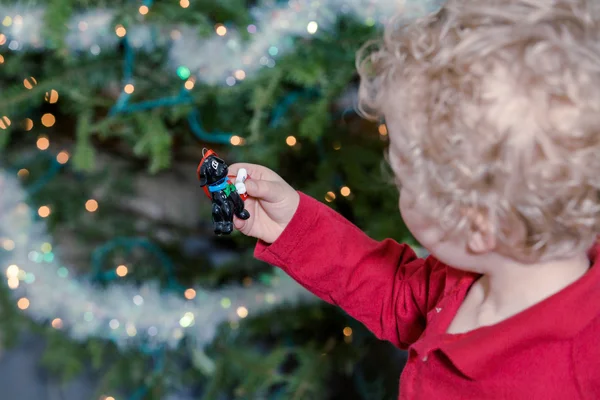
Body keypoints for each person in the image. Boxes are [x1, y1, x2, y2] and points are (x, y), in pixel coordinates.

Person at [229, 0, 600, 398]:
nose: (393, 182)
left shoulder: (565, 379)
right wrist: (293, 225)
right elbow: (397, 295)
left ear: (476, 226)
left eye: (402, 176)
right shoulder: (477, 273)